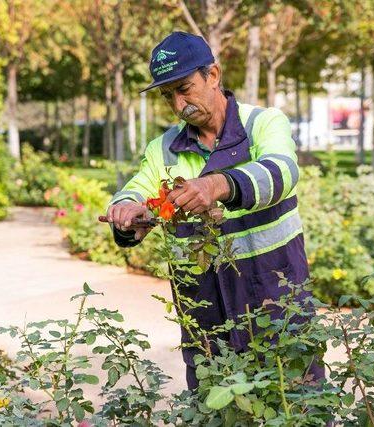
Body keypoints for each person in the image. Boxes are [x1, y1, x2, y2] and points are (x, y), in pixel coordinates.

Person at [105, 31, 324, 390]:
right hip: (206, 321)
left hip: (277, 309)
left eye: (185, 88)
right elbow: (136, 190)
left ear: (214, 76)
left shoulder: (263, 124)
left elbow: (282, 171)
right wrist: (127, 212)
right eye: (168, 95)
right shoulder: (163, 149)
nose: (179, 105)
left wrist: (218, 184)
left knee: (299, 406)